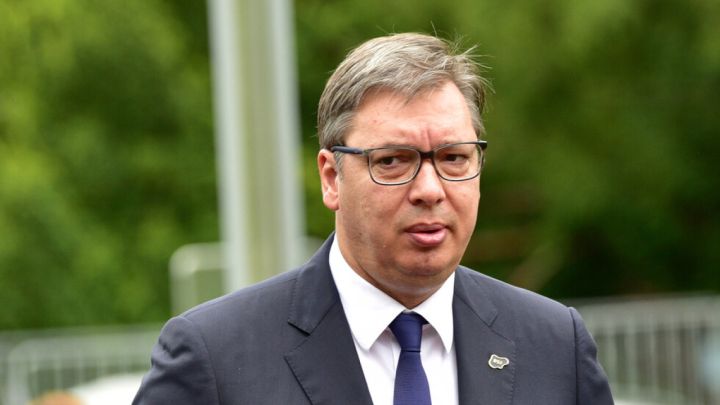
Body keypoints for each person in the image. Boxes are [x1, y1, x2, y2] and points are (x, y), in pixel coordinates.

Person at [133, 32, 613, 404]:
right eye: (393, 161)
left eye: (454, 158)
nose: (430, 190)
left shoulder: (554, 347)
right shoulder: (216, 359)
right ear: (332, 178)